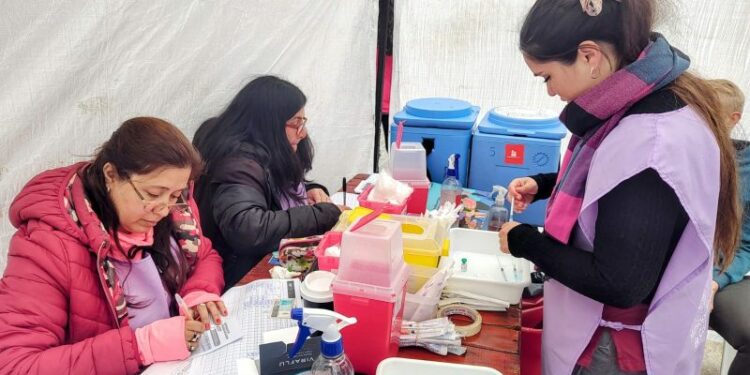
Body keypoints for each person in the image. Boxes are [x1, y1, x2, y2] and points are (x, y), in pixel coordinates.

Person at [498, 1, 741, 374]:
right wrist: (545, 184)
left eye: (546, 77)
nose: (549, 92)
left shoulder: (652, 139)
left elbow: (620, 282)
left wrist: (523, 240)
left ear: (589, 56)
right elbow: (609, 185)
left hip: (613, 347)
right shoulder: (638, 101)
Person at [0, 117, 227, 374]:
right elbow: (14, 365)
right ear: (111, 175)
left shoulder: (174, 213)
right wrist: (139, 346)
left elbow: (204, 254)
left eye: (174, 195)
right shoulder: (47, 246)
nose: (163, 209)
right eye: (153, 194)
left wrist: (198, 292)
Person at [193, 75, 341, 288]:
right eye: (296, 123)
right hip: (237, 274)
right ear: (268, 124)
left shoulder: (261, 152)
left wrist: (309, 189)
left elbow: (266, 190)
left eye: (303, 121)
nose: (303, 132)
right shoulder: (238, 162)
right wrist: (321, 215)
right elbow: (248, 229)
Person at [707, 79, 749, 375]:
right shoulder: (677, 150)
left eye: (710, 113)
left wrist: (714, 281)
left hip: (721, 271)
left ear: (733, 119)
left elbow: (745, 243)